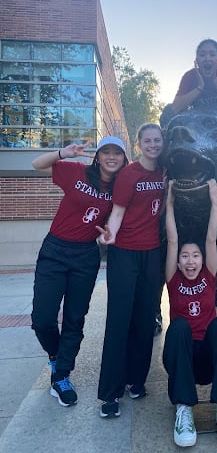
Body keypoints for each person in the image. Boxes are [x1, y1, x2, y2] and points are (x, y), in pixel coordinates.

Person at [31, 136, 128, 407]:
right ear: (98, 156)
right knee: (42, 317)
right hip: (55, 250)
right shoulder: (78, 172)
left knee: (75, 318)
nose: (111, 157)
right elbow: (36, 163)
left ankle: (61, 375)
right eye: (106, 151)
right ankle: (56, 355)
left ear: (123, 158)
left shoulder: (121, 186)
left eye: (117, 154)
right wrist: (63, 152)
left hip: (86, 255)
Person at [163, 179, 217, 451]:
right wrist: (170, 203)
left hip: (211, 359)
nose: (191, 261)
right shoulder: (173, 279)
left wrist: (214, 202)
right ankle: (184, 410)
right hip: (183, 359)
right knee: (178, 327)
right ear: (178, 261)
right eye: (185, 256)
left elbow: (211, 237)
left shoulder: (209, 275)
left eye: (195, 256)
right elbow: (172, 238)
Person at [97, 123, 165, 418]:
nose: (152, 144)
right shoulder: (129, 174)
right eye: (147, 140)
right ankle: (110, 393)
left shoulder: (165, 172)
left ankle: (136, 380)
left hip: (153, 254)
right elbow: (119, 212)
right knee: (119, 320)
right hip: (125, 253)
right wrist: (108, 237)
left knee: (144, 320)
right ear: (139, 145)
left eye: (157, 140)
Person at [171, 38, 217, 114]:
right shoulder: (189, 76)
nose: (207, 58)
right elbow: (175, 108)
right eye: (202, 55)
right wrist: (199, 88)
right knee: (167, 111)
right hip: (196, 118)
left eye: (212, 55)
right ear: (197, 60)